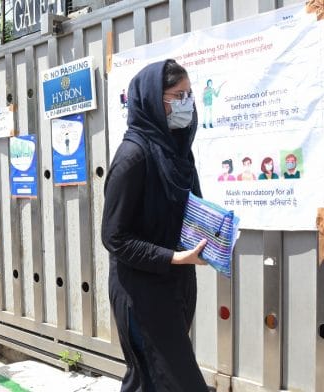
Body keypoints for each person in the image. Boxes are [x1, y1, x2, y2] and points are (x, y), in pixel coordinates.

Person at [102, 59, 209, 392]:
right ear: (152, 100)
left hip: (177, 287)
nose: (187, 103)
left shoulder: (178, 153)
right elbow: (114, 236)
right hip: (142, 293)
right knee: (178, 383)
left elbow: (189, 210)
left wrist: (212, 234)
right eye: (178, 95)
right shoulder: (133, 157)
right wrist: (173, 258)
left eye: (189, 94)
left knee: (150, 382)